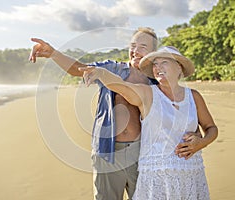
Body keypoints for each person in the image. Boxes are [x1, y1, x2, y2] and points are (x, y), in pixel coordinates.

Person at [29, 28, 202, 200]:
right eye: (133, 45)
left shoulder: (156, 81)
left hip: (142, 154)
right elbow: (78, 69)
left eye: (143, 46)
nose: (135, 51)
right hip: (108, 152)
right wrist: (53, 53)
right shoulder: (112, 68)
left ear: (152, 53)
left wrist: (196, 137)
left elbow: (176, 112)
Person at [80, 46, 218, 199]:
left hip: (191, 174)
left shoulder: (194, 96)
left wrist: (201, 142)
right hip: (155, 180)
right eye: (155, 64)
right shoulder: (148, 93)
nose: (157, 68)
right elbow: (121, 86)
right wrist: (101, 73)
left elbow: (211, 128)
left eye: (163, 62)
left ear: (179, 67)